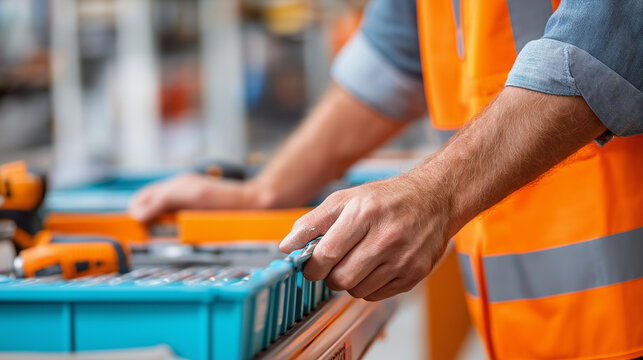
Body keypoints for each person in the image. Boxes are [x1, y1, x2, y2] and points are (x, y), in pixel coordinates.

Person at [130, 0, 643, 358]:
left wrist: (436, 195)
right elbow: (392, 57)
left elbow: (610, 39)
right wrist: (268, 191)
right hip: (534, 332)